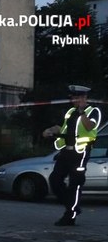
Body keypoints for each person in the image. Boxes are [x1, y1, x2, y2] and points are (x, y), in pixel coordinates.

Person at [42, 85, 102, 226]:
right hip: (65, 152)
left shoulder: (93, 111)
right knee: (55, 180)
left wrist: (82, 112)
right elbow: (63, 128)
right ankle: (72, 206)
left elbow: (89, 127)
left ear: (84, 98)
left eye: (76, 98)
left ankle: (70, 215)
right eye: (72, 98)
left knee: (75, 183)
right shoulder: (70, 112)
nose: (73, 101)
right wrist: (50, 130)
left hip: (80, 153)